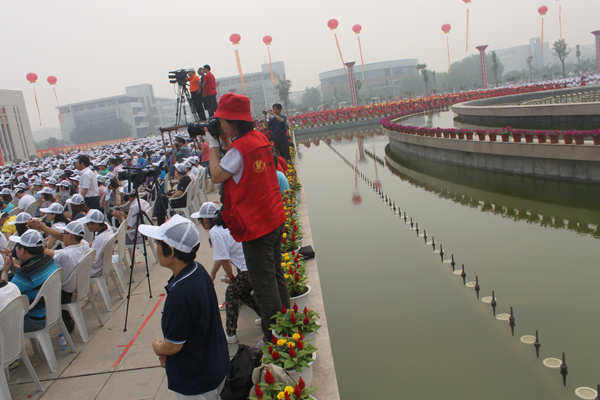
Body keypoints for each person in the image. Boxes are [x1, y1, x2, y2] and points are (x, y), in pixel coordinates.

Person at [206, 93, 289, 346]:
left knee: (264, 286)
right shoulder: (258, 138)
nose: (219, 124)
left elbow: (217, 175)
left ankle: (274, 339)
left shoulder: (239, 149)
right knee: (275, 276)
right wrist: (225, 139)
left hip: (257, 227)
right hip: (273, 217)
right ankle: (287, 326)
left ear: (233, 121)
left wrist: (212, 144)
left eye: (222, 120)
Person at [139, 215, 229, 399]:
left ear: (170, 250)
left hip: (196, 379)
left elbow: (173, 346)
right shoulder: (198, 270)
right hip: (214, 364)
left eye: (158, 243)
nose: (156, 248)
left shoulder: (180, 295)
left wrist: (158, 347)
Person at [192, 202, 261, 344]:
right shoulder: (223, 226)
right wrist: (213, 274)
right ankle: (264, 315)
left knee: (231, 293)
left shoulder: (214, 232)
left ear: (205, 220)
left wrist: (231, 277)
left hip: (248, 269)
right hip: (254, 264)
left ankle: (230, 333)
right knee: (241, 292)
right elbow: (221, 256)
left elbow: (224, 259)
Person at [29, 220, 90, 332]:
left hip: (66, 294)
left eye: (64, 234)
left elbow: (39, 251)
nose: (62, 236)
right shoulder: (84, 244)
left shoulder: (64, 254)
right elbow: (60, 236)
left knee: (37, 293)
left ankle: (62, 319)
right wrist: (42, 226)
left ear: (70, 236)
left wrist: (31, 237)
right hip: (79, 287)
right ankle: (66, 317)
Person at [1, 229, 58, 332]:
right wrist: (12, 266)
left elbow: (7, 294)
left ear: (22, 251)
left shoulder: (26, 272)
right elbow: (29, 279)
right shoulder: (48, 260)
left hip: (34, 319)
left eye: (17, 248)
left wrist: (4, 272)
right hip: (50, 311)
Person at [79, 210, 113, 277]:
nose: (86, 226)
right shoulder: (106, 226)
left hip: (96, 269)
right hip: (105, 263)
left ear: (96, 225)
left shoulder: (99, 240)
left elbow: (95, 262)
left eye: (88, 224)